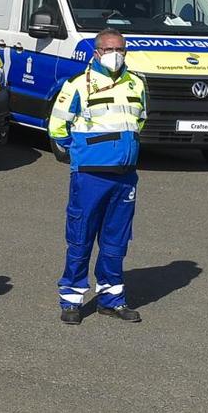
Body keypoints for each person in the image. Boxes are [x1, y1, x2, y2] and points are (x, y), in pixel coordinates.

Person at [48, 28, 146, 325]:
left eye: (121, 50)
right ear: (97, 52)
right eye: (110, 49)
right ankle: (72, 301)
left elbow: (140, 120)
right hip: (90, 176)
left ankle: (112, 299)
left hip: (125, 176)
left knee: (116, 242)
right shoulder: (78, 85)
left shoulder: (137, 84)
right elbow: (57, 128)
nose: (116, 55)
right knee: (80, 239)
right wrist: (80, 155)